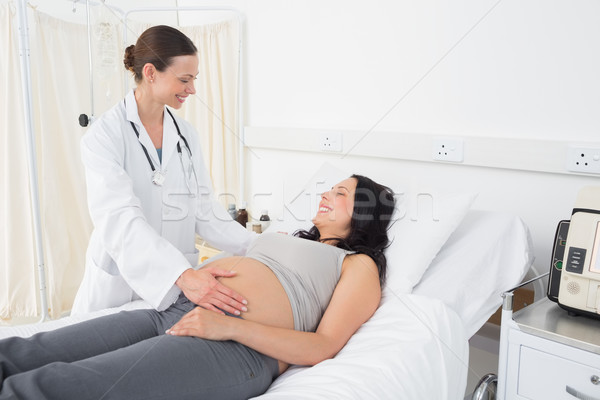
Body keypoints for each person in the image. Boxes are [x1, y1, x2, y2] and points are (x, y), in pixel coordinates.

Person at [0, 175, 395, 400]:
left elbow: (323, 346)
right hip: (173, 311)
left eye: (341, 193)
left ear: (362, 212)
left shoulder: (357, 265)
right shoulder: (291, 238)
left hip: (232, 347)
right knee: (30, 352)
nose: (326, 193)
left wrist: (229, 327)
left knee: (64, 386)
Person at [72, 25, 255, 316]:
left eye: (194, 80)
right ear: (150, 73)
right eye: (184, 79)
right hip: (119, 285)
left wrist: (259, 245)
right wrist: (181, 274)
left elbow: (204, 210)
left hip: (172, 288)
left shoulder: (186, 135)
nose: (192, 89)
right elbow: (120, 219)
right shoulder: (104, 136)